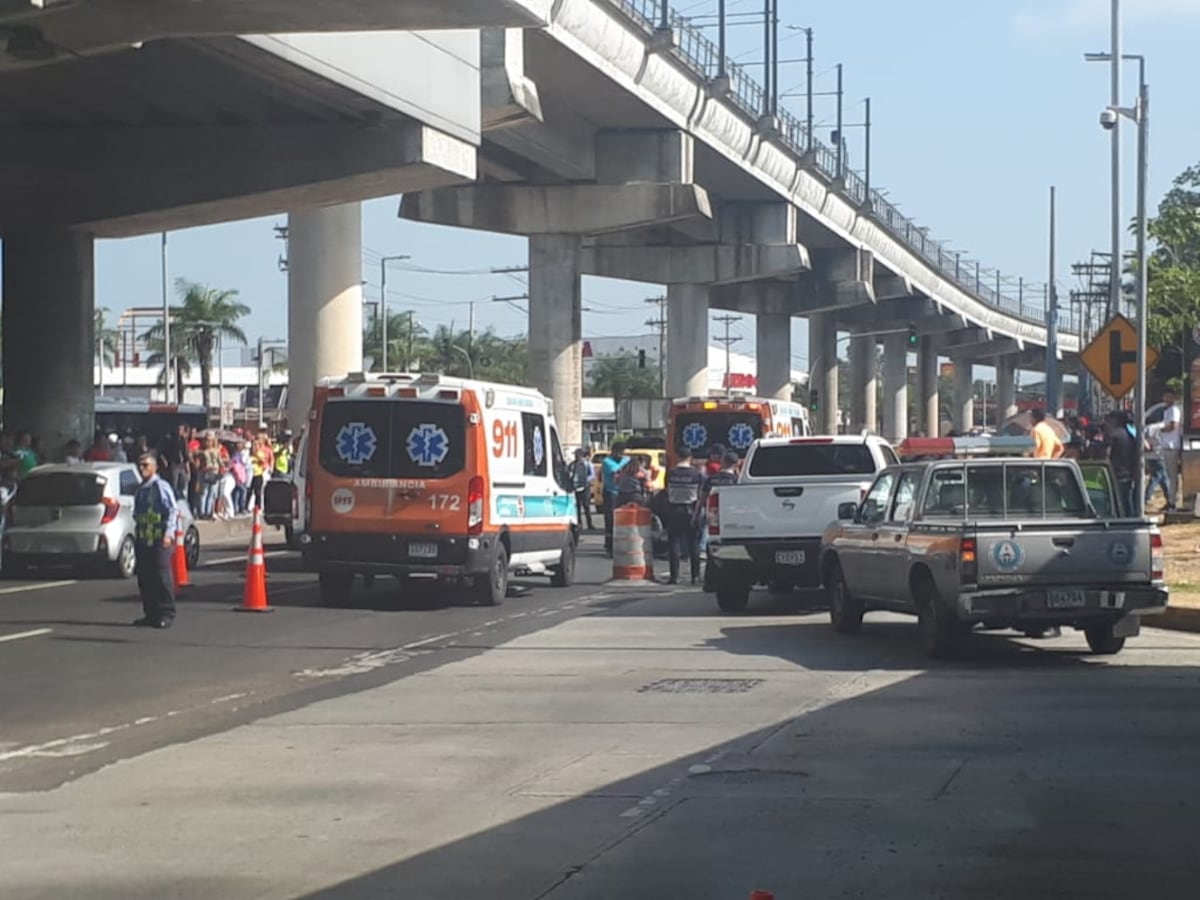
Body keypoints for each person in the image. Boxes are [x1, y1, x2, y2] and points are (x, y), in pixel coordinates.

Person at [131, 452, 179, 629]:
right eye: (140, 465)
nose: (142, 468)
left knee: (161, 576)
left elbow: (172, 511)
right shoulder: (140, 489)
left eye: (146, 465)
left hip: (160, 539)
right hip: (144, 539)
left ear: (155, 467)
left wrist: (169, 534)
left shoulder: (161, 486)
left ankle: (166, 613)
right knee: (145, 578)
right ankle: (150, 614)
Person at [664, 448, 704, 584]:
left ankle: (674, 577)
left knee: (674, 543)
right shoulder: (696, 474)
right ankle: (695, 576)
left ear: (678, 456)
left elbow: (666, 490)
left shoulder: (670, 473)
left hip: (674, 509)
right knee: (693, 543)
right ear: (690, 458)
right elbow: (700, 494)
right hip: (690, 510)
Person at [1105, 411, 1138, 516]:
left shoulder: (1112, 435)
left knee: (1117, 500)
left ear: (1115, 421)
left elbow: (1107, 453)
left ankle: (1123, 519)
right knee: (1127, 499)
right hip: (1128, 470)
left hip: (1116, 471)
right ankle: (1130, 518)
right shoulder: (1130, 435)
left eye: (1109, 420)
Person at [601, 442, 628, 556]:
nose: (621, 455)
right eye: (619, 452)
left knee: (623, 520)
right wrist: (626, 463)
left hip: (623, 492)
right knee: (610, 519)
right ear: (613, 451)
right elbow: (615, 470)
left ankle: (621, 544)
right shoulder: (607, 461)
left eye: (622, 452)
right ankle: (609, 545)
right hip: (610, 492)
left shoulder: (626, 459)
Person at [1158, 388, 1183, 511]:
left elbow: (1173, 426)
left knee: (1173, 476)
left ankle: (1173, 502)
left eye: (1169, 397)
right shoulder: (1167, 411)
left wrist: (1160, 429)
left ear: (1173, 398)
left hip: (1172, 446)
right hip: (1166, 446)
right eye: (1165, 396)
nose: (1167, 399)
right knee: (1168, 475)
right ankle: (1170, 500)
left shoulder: (1174, 410)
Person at [1144, 422, 1171, 510]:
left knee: (1163, 477)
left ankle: (1169, 499)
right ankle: (1146, 497)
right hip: (1158, 455)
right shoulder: (1161, 426)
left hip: (1149, 455)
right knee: (1157, 475)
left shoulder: (1148, 427)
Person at [568, 448, 595, 531]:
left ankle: (590, 524)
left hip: (585, 487)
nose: (576, 457)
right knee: (577, 507)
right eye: (575, 455)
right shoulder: (572, 464)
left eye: (577, 455)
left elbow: (592, 475)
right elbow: (568, 472)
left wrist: (586, 480)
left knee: (586, 506)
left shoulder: (587, 464)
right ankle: (579, 524)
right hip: (575, 488)